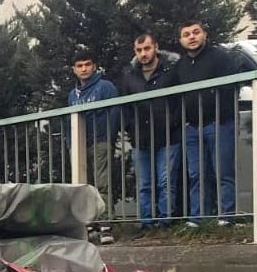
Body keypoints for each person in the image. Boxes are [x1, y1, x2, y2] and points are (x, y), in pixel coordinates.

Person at [174, 19, 256, 227]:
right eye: (186, 34)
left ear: (204, 35)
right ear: (181, 40)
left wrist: (225, 116)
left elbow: (232, 87)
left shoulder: (220, 57)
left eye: (195, 32)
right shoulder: (181, 65)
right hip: (192, 127)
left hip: (219, 123)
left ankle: (226, 217)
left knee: (223, 171)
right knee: (196, 174)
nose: (191, 37)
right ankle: (198, 218)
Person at [120, 33, 181, 230]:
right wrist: (130, 128)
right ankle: (146, 223)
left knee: (166, 182)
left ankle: (165, 222)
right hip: (140, 137)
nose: (143, 54)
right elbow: (125, 107)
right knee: (144, 183)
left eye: (147, 48)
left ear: (156, 47)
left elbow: (179, 100)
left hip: (168, 135)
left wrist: (174, 122)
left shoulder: (170, 71)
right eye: (139, 50)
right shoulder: (129, 75)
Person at [67, 50, 121, 202]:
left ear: (94, 66)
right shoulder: (72, 94)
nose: (84, 69)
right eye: (80, 66)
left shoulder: (106, 86)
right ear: (74, 69)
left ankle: (105, 221)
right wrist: (70, 144)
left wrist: (108, 138)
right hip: (79, 145)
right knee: (81, 186)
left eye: (87, 64)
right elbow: (69, 121)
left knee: (102, 184)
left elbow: (115, 113)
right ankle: (88, 222)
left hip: (100, 142)